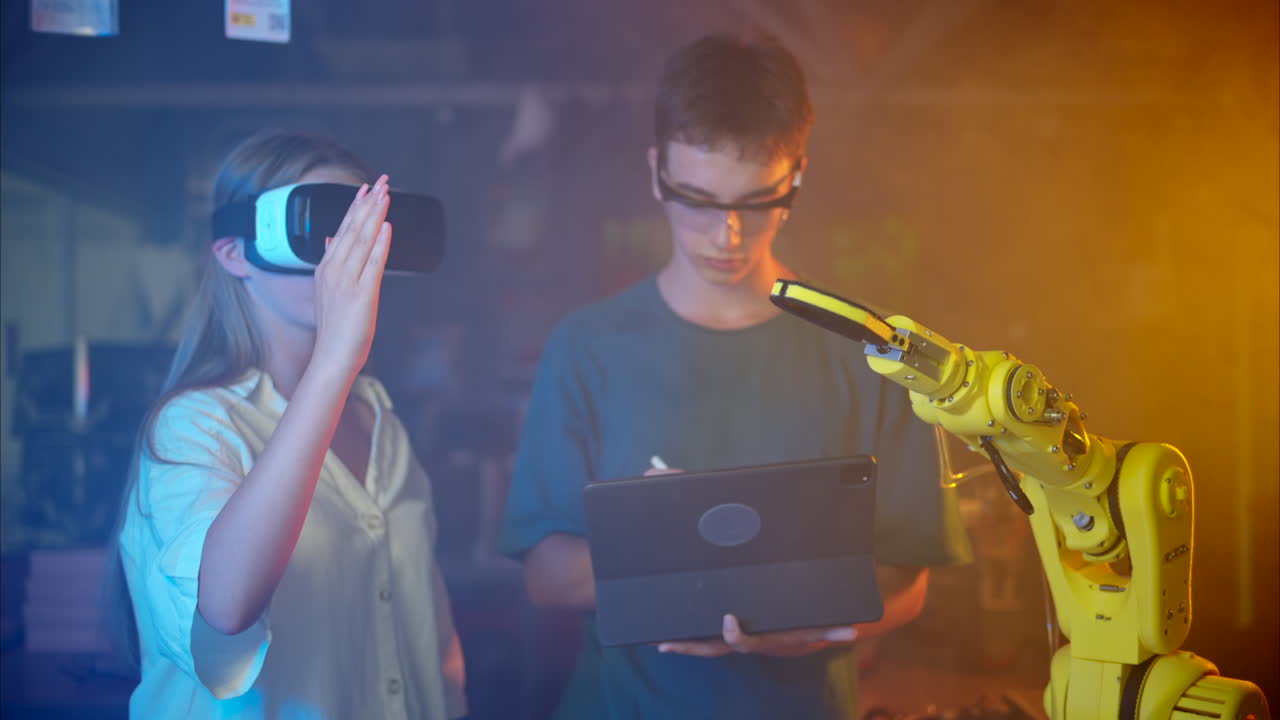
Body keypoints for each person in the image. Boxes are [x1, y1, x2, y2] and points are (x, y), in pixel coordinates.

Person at [498, 32, 972, 719]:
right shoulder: (586, 348)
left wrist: (816, 628)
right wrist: (669, 544)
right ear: (656, 171)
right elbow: (546, 576)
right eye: (696, 199)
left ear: (798, 175)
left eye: (756, 202)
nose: (725, 235)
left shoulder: (872, 352)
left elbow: (907, 575)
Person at [103, 131, 466, 719]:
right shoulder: (195, 427)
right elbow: (224, 606)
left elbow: (429, 639)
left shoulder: (381, 425)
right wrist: (334, 361)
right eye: (322, 223)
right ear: (234, 253)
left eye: (359, 227)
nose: (344, 252)